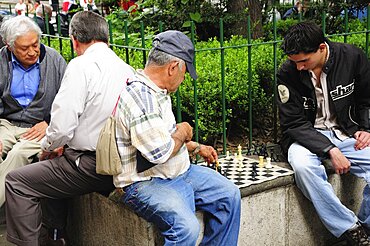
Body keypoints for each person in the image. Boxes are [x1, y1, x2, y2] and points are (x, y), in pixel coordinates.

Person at [5, 11, 135, 245]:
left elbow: (62, 128)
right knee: (49, 168)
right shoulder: (126, 69)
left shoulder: (80, 66)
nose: (33, 51)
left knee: (18, 181)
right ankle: (55, 236)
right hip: (122, 162)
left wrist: (48, 145)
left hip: (91, 165)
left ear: (74, 39)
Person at [111, 30, 241, 245]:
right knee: (186, 228)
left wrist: (197, 147)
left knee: (229, 195)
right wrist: (182, 131)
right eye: (184, 73)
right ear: (172, 67)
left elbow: (164, 138)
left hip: (177, 172)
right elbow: (159, 152)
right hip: (144, 182)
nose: (183, 79)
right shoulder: (141, 97)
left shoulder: (157, 92)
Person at [277, 21, 370, 245]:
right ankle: (350, 229)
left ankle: (366, 229)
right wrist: (330, 149)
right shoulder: (288, 72)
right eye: (294, 62)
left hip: (347, 132)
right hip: (306, 136)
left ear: (321, 47)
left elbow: (366, 99)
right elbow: (293, 122)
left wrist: (366, 128)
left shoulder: (352, 57)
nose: (298, 67)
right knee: (303, 168)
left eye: (303, 61)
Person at [0, 16, 67, 207]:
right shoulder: (1, 59)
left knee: (18, 154)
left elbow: (69, 100)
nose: (32, 52)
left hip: (41, 128)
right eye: (24, 48)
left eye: (35, 44)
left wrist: (49, 121)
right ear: (9, 46)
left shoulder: (54, 60)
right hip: (7, 124)